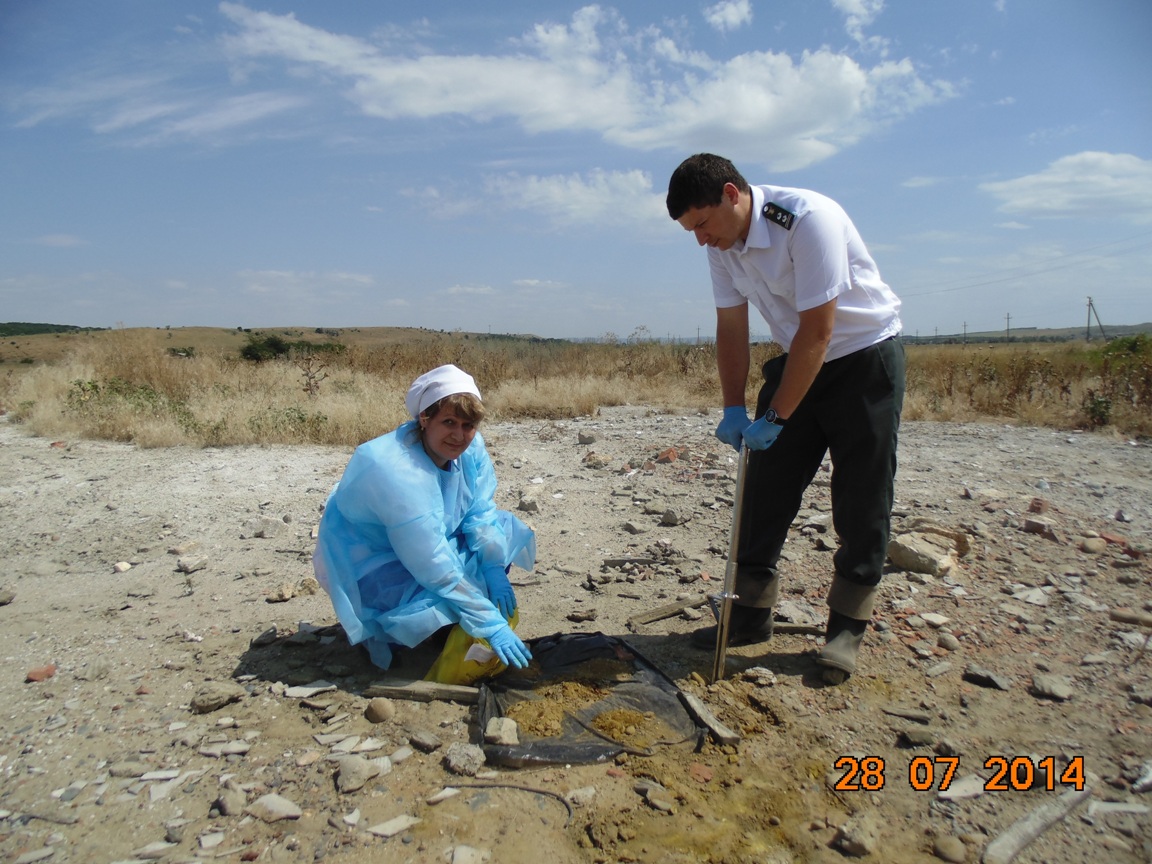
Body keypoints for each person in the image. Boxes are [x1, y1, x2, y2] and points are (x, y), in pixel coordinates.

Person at [666, 153, 905, 680]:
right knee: (763, 492)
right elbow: (731, 326)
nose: (701, 239)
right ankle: (749, 614)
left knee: (862, 498)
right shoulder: (721, 243)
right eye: (691, 231)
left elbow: (819, 332)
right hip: (798, 359)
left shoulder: (807, 219)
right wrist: (733, 405)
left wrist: (775, 415)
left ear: (732, 194)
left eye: (702, 224)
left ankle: (845, 628)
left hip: (863, 359)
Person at [313, 364, 535, 673]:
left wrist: (493, 566)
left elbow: (480, 510)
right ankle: (401, 638)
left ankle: (448, 626)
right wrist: (490, 623)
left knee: (495, 543)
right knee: (424, 596)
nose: (459, 435)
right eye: (449, 422)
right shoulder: (397, 472)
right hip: (377, 557)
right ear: (424, 419)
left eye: (468, 424)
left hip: (425, 540)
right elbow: (431, 563)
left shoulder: (469, 450)